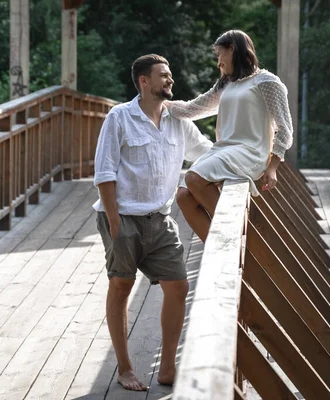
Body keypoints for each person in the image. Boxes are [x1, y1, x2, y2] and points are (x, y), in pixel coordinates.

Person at [93, 54, 213, 391]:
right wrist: (115, 224)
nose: (170, 81)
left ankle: (168, 368)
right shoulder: (119, 117)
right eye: (163, 76)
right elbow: (103, 173)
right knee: (121, 286)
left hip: (160, 220)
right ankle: (125, 367)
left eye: (170, 75)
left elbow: (208, 152)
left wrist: (251, 159)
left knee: (178, 286)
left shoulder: (178, 121)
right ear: (144, 81)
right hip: (121, 218)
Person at [168, 30, 294, 242]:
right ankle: (218, 246)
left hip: (250, 152)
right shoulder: (227, 84)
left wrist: (273, 167)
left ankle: (232, 239)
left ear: (232, 49)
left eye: (219, 54)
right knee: (182, 197)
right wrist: (157, 102)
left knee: (193, 178)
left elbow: (285, 127)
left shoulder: (266, 81)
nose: (218, 62)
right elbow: (192, 109)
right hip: (224, 149)